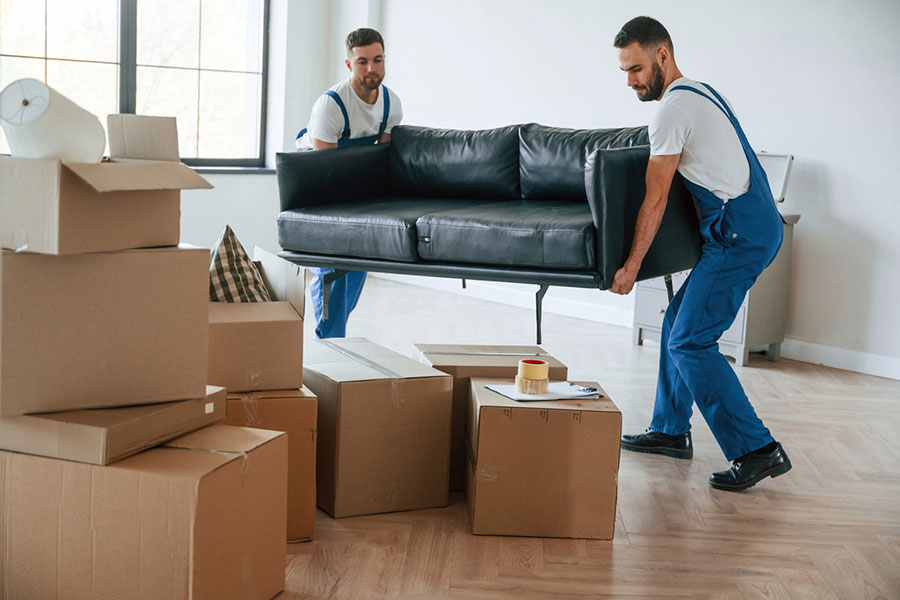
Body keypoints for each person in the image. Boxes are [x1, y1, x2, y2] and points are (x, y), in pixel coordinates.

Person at [611, 16, 791, 491]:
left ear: (662, 56)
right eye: (625, 71)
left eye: (636, 69)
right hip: (749, 224)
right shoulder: (701, 91)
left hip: (738, 234)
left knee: (690, 341)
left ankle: (757, 449)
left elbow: (655, 199)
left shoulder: (671, 112)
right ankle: (670, 431)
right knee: (676, 324)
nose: (630, 81)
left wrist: (631, 267)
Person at [296, 27, 403, 338]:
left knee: (357, 262)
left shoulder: (391, 104)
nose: (371, 68)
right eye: (362, 62)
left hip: (356, 180)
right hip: (316, 180)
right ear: (349, 65)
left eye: (378, 60)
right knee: (331, 265)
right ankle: (328, 344)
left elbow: (380, 158)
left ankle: (334, 338)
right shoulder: (330, 105)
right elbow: (324, 169)